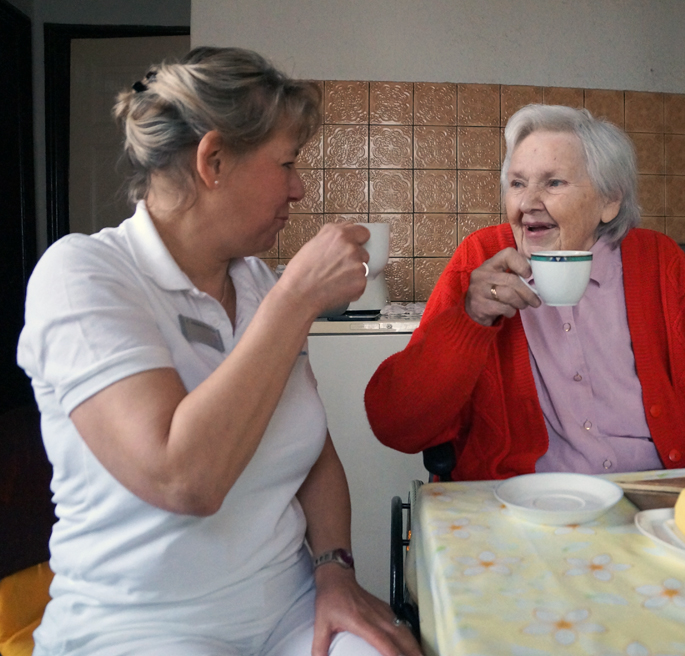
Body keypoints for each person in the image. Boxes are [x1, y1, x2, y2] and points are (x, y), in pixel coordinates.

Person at [17, 47, 420, 656]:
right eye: (285, 164)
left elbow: (312, 453)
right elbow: (185, 480)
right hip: (139, 627)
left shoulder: (255, 283)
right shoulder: (82, 275)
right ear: (214, 160)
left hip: (287, 608)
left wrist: (335, 572)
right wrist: (296, 299)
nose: (299, 189)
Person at [365, 104, 685, 481]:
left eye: (553, 183)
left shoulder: (658, 261)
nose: (528, 202)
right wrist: (470, 319)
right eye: (517, 184)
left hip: (652, 496)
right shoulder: (480, 259)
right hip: (523, 507)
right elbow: (398, 425)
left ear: (609, 200)